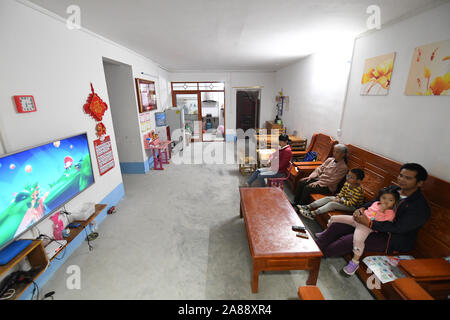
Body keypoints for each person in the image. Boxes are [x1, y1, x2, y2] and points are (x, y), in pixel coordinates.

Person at [315, 163, 431, 268]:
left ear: (420, 182)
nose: (401, 180)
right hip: (370, 222)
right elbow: (374, 202)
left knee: (348, 240)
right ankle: (314, 248)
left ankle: (318, 256)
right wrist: (362, 208)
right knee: (337, 225)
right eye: (401, 175)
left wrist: (369, 223)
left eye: (408, 178)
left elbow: (399, 228)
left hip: (390, 237)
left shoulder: (419, 206)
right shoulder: (392, 189)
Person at [328, 187, 399, 276]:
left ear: (394, 202)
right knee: (334, 218)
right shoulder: (376, 203)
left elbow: (380, 223)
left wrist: (381, 210)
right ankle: (325, 233)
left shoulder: (390, 213)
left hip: (366, 227)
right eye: (384, 198)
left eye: (390, 200)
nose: (386, 201)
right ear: (380, 197)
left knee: (358, 241)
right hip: (358, 220)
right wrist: (359, 213)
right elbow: (367, 210)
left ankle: (354, 262)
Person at [298, 168, 365, 220]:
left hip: (352, 207)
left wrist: (340, 200)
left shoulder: (358, 190)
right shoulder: (347, 183)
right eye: (348, 176)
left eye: (351, 177)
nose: (348, 178)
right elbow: (342, 191)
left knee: (332, 204)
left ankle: (313, 214)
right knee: (329, 198)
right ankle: (308, 207)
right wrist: (339, 196)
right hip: (344, 199)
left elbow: (352, 203)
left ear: (358, 181)